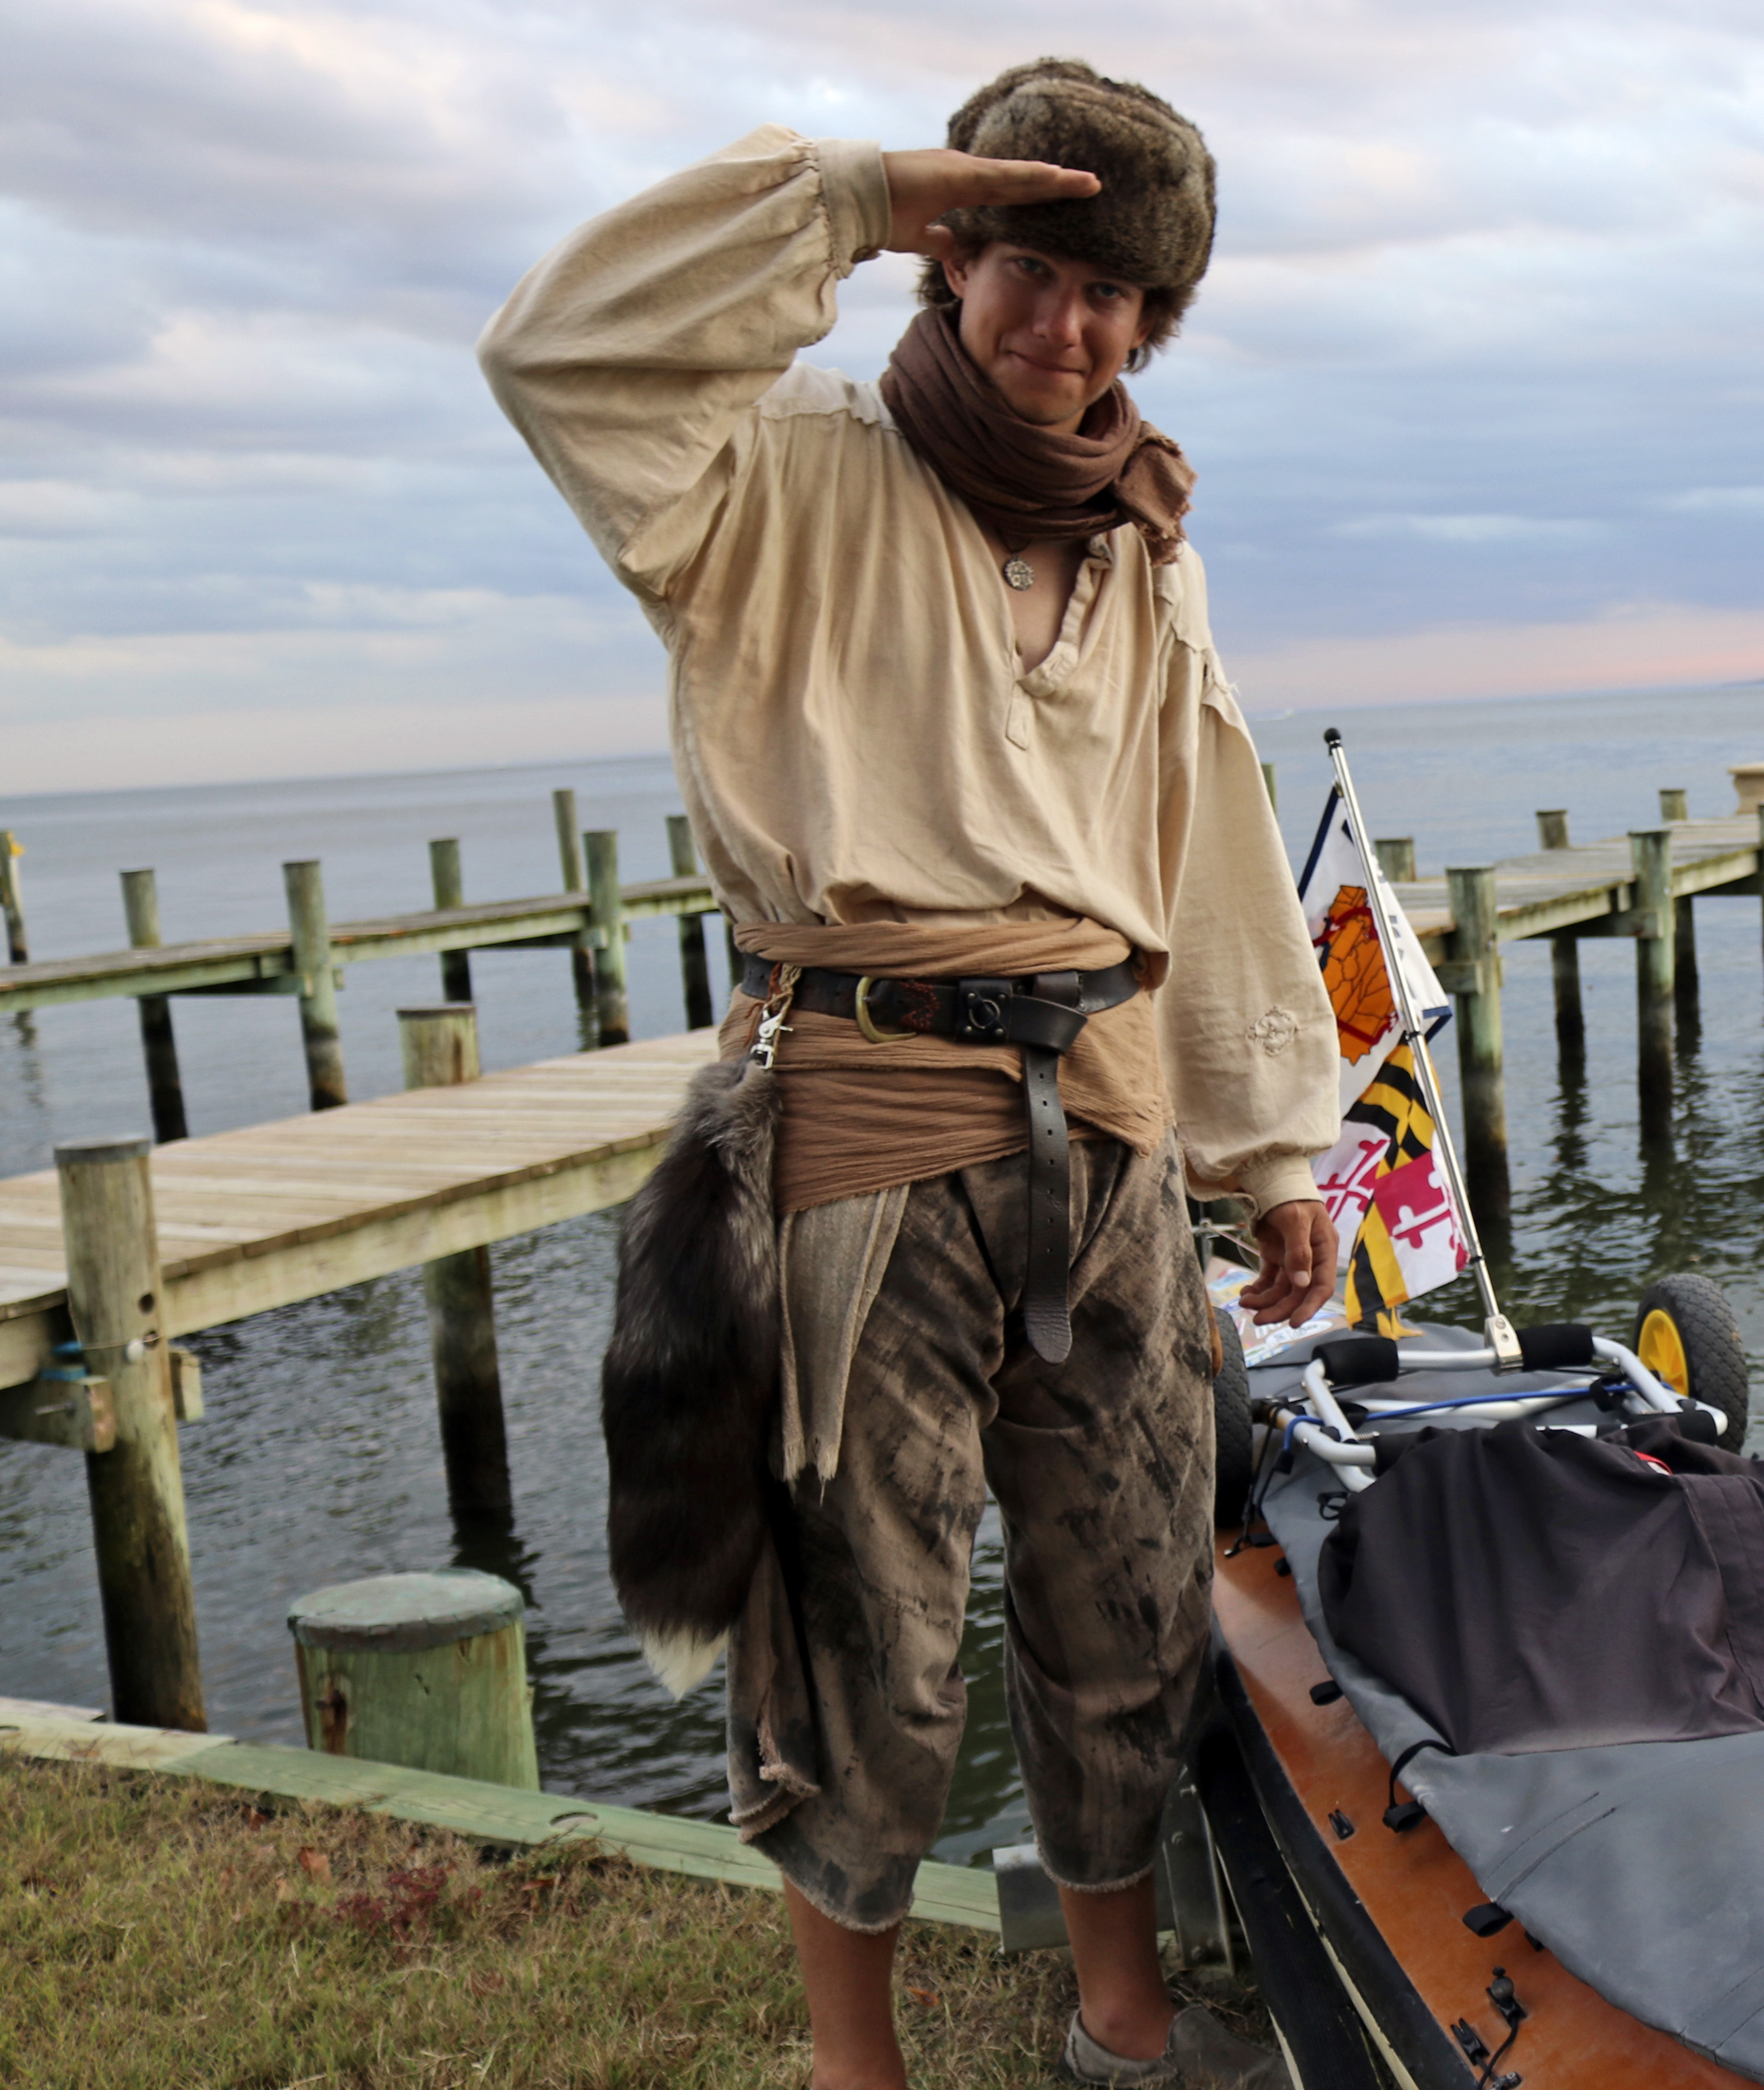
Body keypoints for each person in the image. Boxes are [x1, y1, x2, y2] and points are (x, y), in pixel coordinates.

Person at [480, 58, 1340, 2090]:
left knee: (1129, 1604)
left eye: (1120, 291)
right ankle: (856, 2070)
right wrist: (853, 189)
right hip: (865, 1120)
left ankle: (1124, 2019)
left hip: (1114, 1138)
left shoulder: (1146, 543)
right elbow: (554, 352)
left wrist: (1275, 1145)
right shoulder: (772, 472)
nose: (1074, 326)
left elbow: (1201, 848)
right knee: (862, 1637)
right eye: (1034, 265)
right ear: (953, 257)